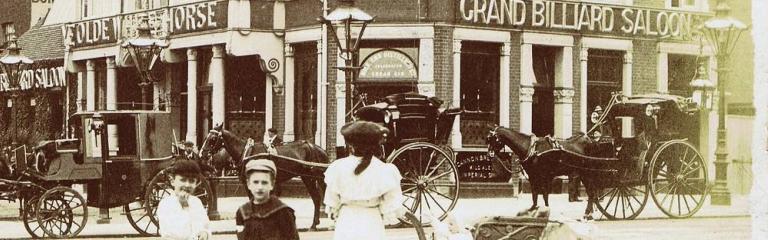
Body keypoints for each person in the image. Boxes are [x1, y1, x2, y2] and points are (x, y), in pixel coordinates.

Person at [324, 121, 405, 240]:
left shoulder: (338, 167)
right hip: (372, 222)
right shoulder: (384, 170)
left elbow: (332, 201)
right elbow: (392, 203)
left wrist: (335, 213)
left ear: (351, 145)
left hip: (346, 221)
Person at [235, 159, 299, 240]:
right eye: (255, 182)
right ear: (248, 184)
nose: (260, 187)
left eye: (264, 182)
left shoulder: (283, 212)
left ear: (272, 184)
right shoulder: (242, 212)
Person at [157, 160, 211, 240]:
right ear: (172, 181)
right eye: (183, 180)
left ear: (196, 183)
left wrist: (205, 233)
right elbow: (175, 234)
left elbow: (205, 225)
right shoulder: (166, 204)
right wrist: (185, 206)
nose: (187, 185)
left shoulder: (196, 202)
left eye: (192, 181)